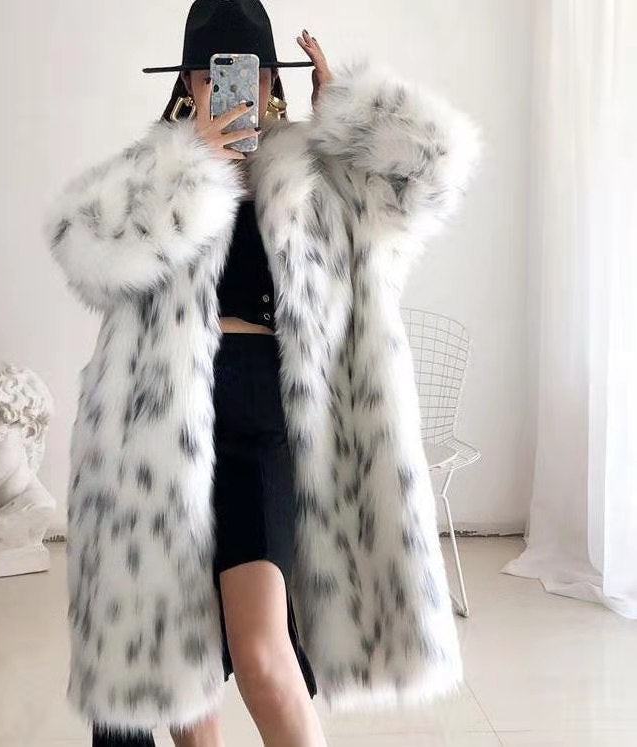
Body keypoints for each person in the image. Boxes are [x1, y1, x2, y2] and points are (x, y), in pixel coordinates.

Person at [45, 0, 482, 745]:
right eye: (210, 72)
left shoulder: (319, 171)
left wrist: (351, 114)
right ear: (189, 81)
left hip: (269, 417)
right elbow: (81, 248)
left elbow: (432, 175)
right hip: (161, 431)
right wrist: (186, 167)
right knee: (176, 666)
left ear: (270, 80)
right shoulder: (159, 170)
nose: (229, 88)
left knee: (260, 652)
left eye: (246, 71)